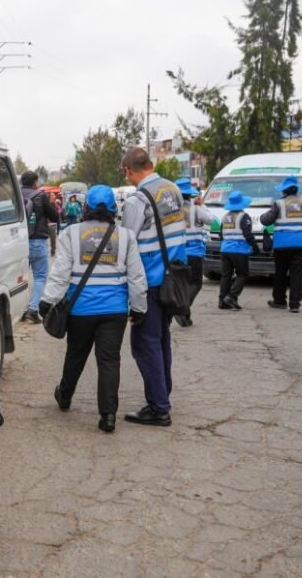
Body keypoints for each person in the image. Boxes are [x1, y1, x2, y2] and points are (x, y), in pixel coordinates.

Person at [38, 185, 147, 432]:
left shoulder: (71, 233)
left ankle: (64, 396)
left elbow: (60, 273)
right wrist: (139, 307)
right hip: (114, 311)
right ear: (113, 208)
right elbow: (136, 276)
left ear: (85, 207)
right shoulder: (126, 236)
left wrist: (47, 300)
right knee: (109, 361)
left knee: (75, 355)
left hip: (81, 310)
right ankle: (108, 416)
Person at [118, 147, 186, 427]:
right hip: (174, 277)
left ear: (128, 170)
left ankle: (159, 407)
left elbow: (127, 242)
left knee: (145, 343)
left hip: (151, 281)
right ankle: (162, 394)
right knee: (161, 339)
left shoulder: (138, 200)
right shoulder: (173, 189)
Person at [260, 176, 302, 312]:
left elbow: (266, 221)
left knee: (280, 273)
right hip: (301, 244)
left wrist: (264, 215)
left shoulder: (279, 204)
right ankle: (295, 304)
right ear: (296, 190)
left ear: (284, 191)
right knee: (297, 274)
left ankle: (279, 301)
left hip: (282, 245)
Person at [175, 178, 214, 327]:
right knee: (196, 283)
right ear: (190, 194)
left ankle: (186, 317)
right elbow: (210, 220)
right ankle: (182, 309)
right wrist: (202, 205)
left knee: (183, 284)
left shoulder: (171, 210)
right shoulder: (196, 209)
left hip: (177, 253)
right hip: (194, 253)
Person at [20, 171, 59, 323]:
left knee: (21, 278)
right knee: (40, 276)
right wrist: (51, 203)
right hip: (37, 240)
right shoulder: (41, 196)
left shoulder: (16, 195)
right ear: (34, 182)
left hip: (19, 242)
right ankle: (33, 309)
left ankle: (21, 310)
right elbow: (55, 216)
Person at [217, 191, 260, 310]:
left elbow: (221, 234)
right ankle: (231, 296)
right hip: (239, 250)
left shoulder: (225, 217)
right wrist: (255, 247)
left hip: (225, 250)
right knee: (243, 274)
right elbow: (248, 234)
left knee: (226, 276)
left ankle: (222, 301)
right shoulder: (243, 216)